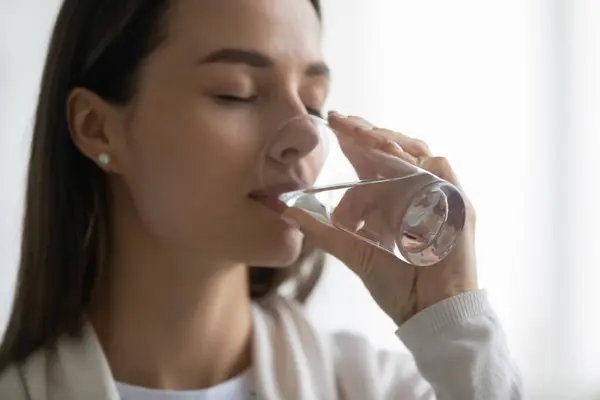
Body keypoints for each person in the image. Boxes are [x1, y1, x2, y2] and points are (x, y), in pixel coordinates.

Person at [0, 0, 522, 399]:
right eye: (237, 92)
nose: (306, 135)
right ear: (98, 129)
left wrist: (448, 313)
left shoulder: (378, 388)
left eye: (313, 100)